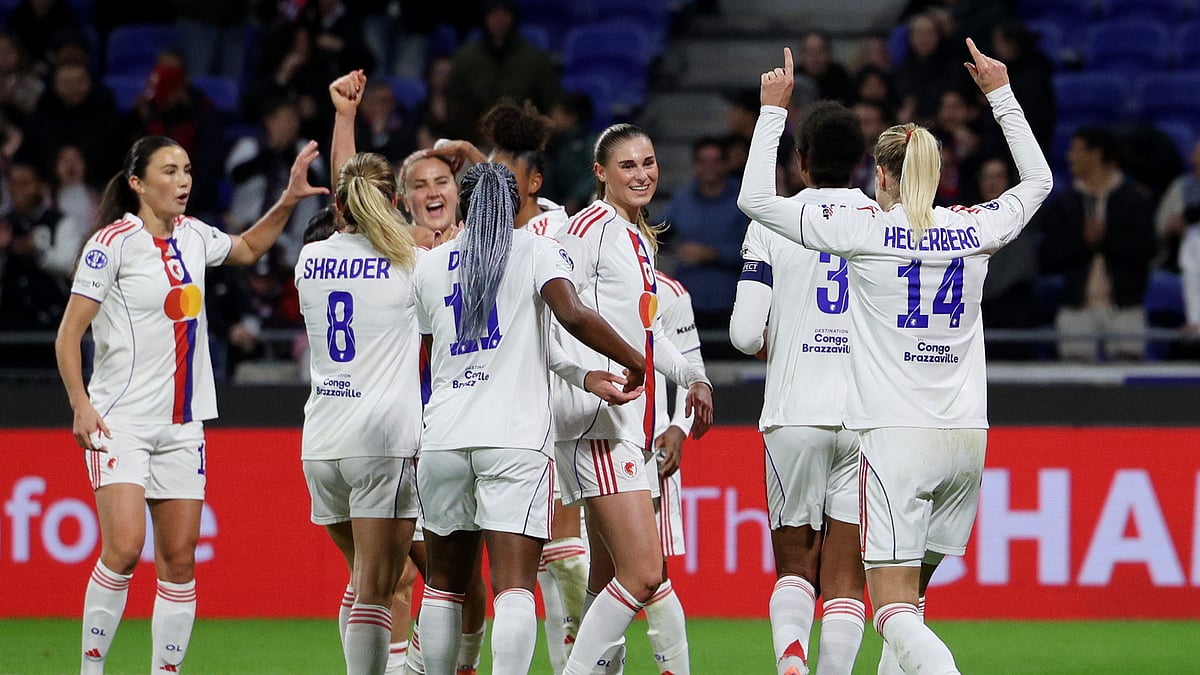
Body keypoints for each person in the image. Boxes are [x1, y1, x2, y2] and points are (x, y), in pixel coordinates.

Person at [737, 41, 1051, 674]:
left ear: (879, 176)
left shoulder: (868, 231)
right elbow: (1039, 182)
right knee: (913, 601)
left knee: (891, 609)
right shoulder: (975, 229)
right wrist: (1001, 96)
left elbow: (757, 204)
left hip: (895, 438)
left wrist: (772, 111)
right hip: (967, 437)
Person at [55, 135, 326, 673]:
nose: (183, 181)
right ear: (137, 183)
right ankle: (90, 670)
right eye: (169, 171)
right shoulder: (110, 244)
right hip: (120, 421)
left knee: (179, 563)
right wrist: (80, 404)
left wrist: (289, 199)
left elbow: (247, 248)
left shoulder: (195, 235)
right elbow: (68, 335)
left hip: (183, 426)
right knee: (125, 548)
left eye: (186, 170)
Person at [412, 162, 647, 674]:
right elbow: (572, 314)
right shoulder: (537, 250)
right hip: (513, 440)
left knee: (443, 587)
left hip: (444, 436)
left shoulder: (429, 266)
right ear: (516, 204)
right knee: (514, 588)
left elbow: (436, 353)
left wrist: (583, 375)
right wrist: (634, 359)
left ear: (462, 206)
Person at [553, 122, 714, 675]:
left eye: (648, 163)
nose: (642, 174)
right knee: (645, 575)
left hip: (628, 424)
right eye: (627, 165)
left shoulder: (636, 236)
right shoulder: (586, 229)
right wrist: (581, 376)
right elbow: (553, 312)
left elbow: (651, 332)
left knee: (607, 578)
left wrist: (693, 377)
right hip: (599, 422)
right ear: (600, 172)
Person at [730, 99, 875, 675]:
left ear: (801, 161)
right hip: (866, 417)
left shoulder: (772, 222)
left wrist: (788, 337)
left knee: (794, 567)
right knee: (847, 579)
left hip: (794, 412)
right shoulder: (884, 222)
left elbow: (744, 334)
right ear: (861, 162)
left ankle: (792, 655)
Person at [295, 151, 422, 674]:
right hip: (381, 443)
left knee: (365, 578)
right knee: (379, 585)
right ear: (395, 201)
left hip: (322, 442)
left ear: (339, 207)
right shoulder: (410, 264)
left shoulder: (308, 259)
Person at [1037, 125, 1157, 361]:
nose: (1069, 156)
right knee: (1076, 376)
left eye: (1076, 150)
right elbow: (1047, 255)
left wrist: (1107, 238)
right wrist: (1083, 242)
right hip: (1077, 306)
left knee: (1128, 367)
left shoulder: (1133, 199)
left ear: (1096, 154)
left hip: (1124, 306)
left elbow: (1147, 249)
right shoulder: (1066, 202)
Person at [642, 268, 708, 675]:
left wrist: (679, 427)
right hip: (577, 439)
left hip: (646, 449)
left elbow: (689, 363)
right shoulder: (572, 271)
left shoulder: (669, 292)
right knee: (572, 569)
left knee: (652, 574)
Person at [661, 136, 748, 355]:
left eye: (715, 161)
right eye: (703, 161)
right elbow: (657, 232)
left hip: (731, 302)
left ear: (726, 164)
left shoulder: (743, 200)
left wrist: (712, 254)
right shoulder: (682, 199)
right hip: (689, 301)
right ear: (694, 165)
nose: (709, 167)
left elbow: (755, 253)